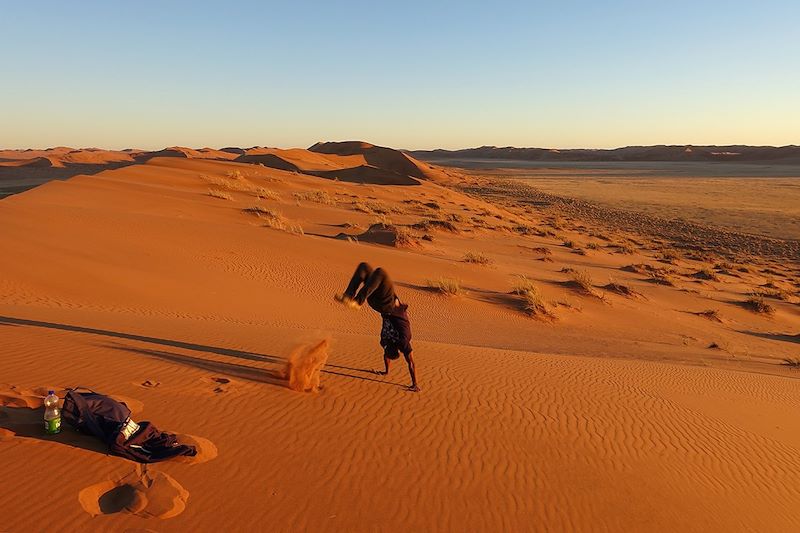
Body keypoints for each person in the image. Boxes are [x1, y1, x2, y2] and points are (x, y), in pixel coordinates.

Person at [336, 262, 419, 392]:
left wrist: (415, 383)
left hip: (387, 304)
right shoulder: (385, 341)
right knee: (365, 269)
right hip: (376, 300)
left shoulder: (402, 341)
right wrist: (413, 384)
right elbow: (392, 357)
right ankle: (349, 297)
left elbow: (411, 363)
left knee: (380, 272)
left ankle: (355, 300)